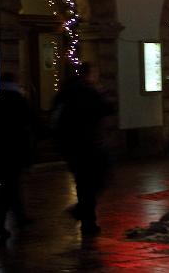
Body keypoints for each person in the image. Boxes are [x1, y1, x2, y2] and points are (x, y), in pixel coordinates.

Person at [52, 62, 113, 236]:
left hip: (72, 146)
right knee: (97, 181)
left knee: (84, 183)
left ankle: (87, 218)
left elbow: (56, 117)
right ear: (90, 74)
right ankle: (85, 216)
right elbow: (106, 109)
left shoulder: (65, 92)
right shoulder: (90, 92)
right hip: (90, 145)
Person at [0, 72, 34, 240]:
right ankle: (0, 226)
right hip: (15, 149)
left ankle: (17, 218)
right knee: (8, 187)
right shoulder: (19, 100)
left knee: (9, 185)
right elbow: (29, 124)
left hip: (0, 150)